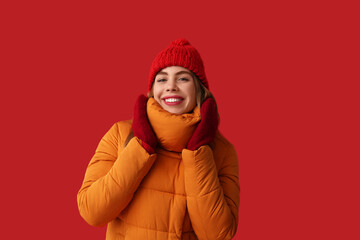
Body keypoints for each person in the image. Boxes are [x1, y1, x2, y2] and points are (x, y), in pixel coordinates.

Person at [77, 39, 240, 240]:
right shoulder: (120, 134)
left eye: (183, 79)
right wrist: (140, 147)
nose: (171, 87)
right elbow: (92, 212)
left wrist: (199, 152)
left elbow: (218, 235)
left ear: (199, 89)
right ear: (153, 89)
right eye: (162, 79)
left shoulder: (222, 151)